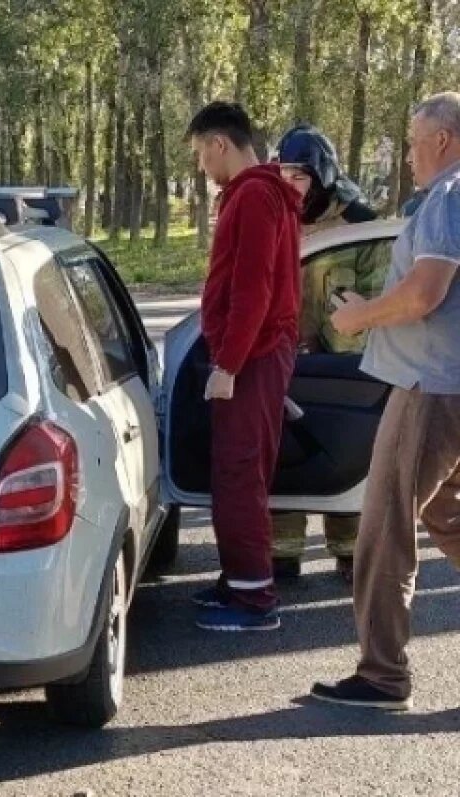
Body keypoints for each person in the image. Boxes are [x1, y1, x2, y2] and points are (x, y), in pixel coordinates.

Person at [311, 92, 460, 710]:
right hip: (448, 384)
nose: (405, 155)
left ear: (444, 140)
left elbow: (425, 293)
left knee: (383, 528)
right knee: (447, 519)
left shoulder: (447, 197)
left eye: (411, 140)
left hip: (431, 387)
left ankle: (381, 677)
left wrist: (360, 318)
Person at [186, 101, 304, 632]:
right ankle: (238, 578)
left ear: (219, 144)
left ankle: (255, 599)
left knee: (240, 473)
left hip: (252, 357)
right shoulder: (256, 193)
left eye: (199, 154)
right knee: (234, 471)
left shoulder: (255, 195)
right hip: (254, 353)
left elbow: (252, 289)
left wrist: (228, 364)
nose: (200, 168)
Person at [269, 125, 380, 584]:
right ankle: (282, 552)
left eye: (299, 178)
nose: (291, 187)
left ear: (322, 175)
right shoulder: (276, 218)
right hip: (288, 356)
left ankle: (349, 550)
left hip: (344, 365)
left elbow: (378, 292)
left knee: (344, 453)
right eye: (285, 177)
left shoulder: (360, 222)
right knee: (286, 453)